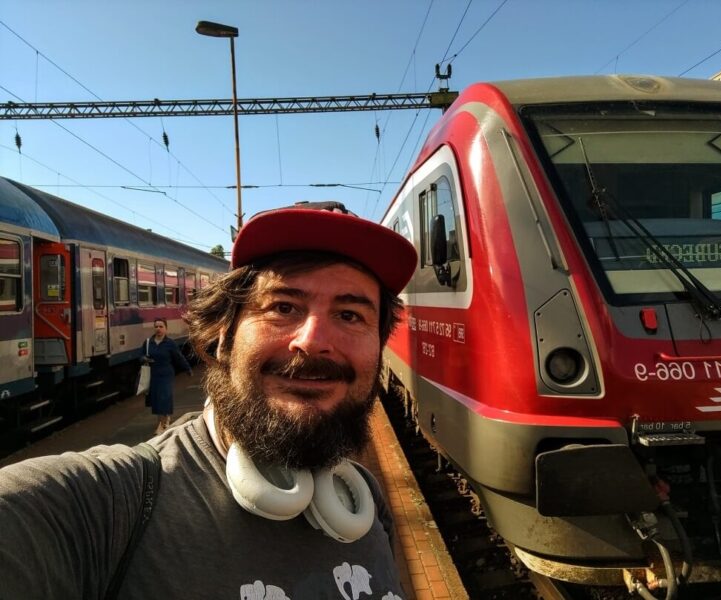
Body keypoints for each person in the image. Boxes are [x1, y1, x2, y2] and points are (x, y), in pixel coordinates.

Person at [0, 201, 417, 600]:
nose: (313, 341)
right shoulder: (105, 509)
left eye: (349, 315)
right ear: (222, 338)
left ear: (378, 351)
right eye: (283, 306)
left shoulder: (365, 500)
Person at [141, 318, 192, 434]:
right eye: (156, 326)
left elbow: (179, 357)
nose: (158, 329)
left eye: (161, 326)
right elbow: (141, 355)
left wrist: (187, 368)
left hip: (166, 374)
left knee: (164, 398)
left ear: (166, 329)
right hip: (153, 375)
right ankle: (163, 421)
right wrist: (143, 358)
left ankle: (162, 425)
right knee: (157, 400)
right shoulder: (148, 342)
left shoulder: (170, 343)